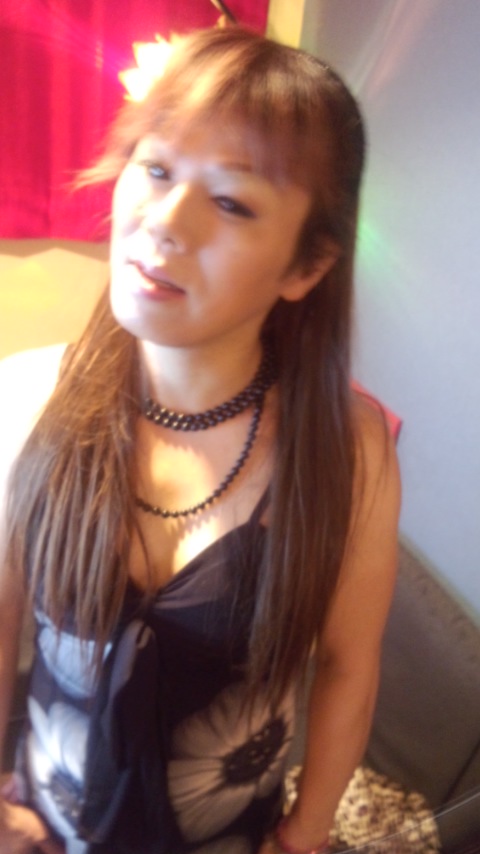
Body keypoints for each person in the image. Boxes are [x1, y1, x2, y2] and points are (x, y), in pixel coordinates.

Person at [0, 24, 400, 854]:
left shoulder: (347, 453)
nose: (165, 222)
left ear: (306, 267)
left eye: (231, 202)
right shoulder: (28, 394)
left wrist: (305, 836)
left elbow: (349, 665)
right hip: (44, 825)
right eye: (155, 168)